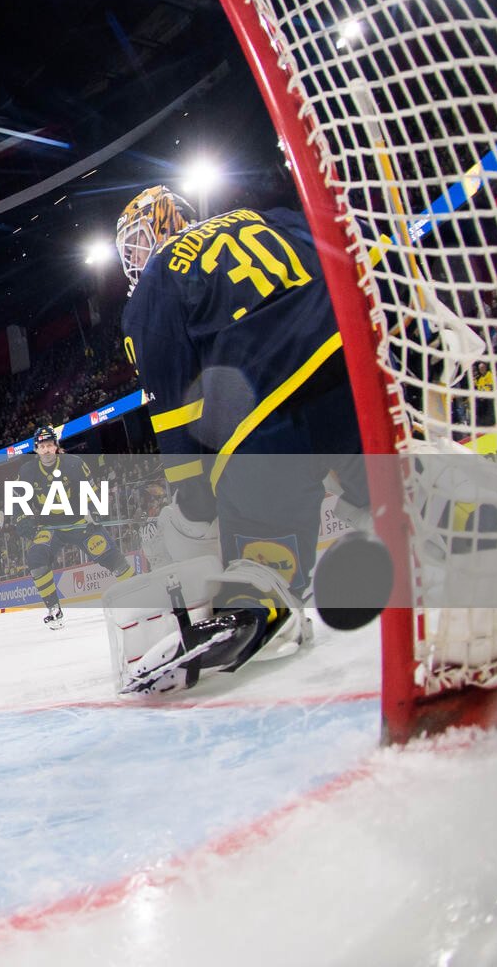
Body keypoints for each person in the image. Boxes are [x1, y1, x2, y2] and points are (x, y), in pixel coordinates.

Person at [114, 185, 367, 692]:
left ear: (162, 224)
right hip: (352, 361)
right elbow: (342, 255)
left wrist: (195, 501)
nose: (135, 259)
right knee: (400, 493)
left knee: (259, 566)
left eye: (137, 242)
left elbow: (175, 413)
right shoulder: (267, 217)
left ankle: (258, 599)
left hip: (266, 405)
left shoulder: (156, 282)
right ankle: (429, 517)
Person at [17, 424, 129, 628]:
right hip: (49, 528)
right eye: (42, 446)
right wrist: (22, 519)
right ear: (36, 449)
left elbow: (92, 491)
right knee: (36, 557)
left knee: (111, 557)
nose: (46, 450)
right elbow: (17, 500)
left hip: (80, 523)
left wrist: (95, 511)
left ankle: (139, 592)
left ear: (56, 446)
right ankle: (54, 609)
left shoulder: (74, 464)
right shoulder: (27, 471)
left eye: (49, 445)